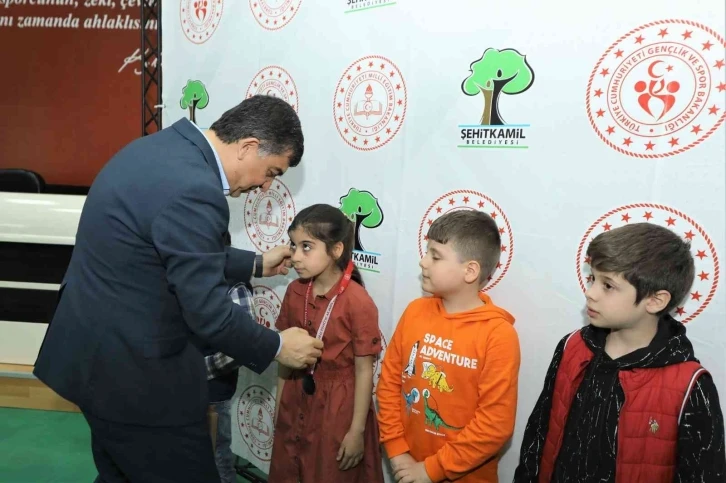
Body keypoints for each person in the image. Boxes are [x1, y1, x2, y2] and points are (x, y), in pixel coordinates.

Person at [33, 95, 324, 483]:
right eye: (271, 171)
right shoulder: (196, 189)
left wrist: (253, 263)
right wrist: (276, 346)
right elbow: (209, 314)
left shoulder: (161, 148)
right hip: (137, 381)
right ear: (248, 146)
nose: (265, 185)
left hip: (94, 357)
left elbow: (161, 248)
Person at [513, 223, 725, 483]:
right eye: (593, 279)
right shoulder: (572, 347)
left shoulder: (690, 386)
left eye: (608, 286)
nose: (590, 293)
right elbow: (539, 432)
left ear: (655, 300)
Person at [377, 210, 521, 483]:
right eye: (426, 252)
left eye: (435, 256)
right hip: (407, 467)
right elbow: (389, 384)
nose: (423, 262)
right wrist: (397, 450)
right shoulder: (415, 311)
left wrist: (431, 470)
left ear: (470, 271)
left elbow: (494, 425)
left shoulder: (498, 335)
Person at [268, 204, 385, 483]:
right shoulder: (295, 291)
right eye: (293, 245)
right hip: (296, 395)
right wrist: (280, 405)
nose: (296, 256)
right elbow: (285, 356)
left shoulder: (357, 302)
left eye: (306, 247)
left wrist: (356, 432)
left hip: (337, 410)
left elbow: (364, 371)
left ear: (336, 250)